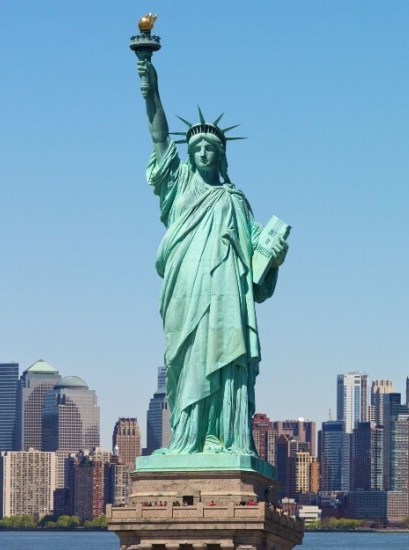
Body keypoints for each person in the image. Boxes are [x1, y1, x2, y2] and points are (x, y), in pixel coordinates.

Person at [137, 54, 288, 455]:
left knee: (225, 362)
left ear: (221, 156)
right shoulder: (180, 183)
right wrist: (150, 89)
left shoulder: (235, 199)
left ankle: (223, 437)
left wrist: (274, 253)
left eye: (211, 149)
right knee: (185, 360)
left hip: (224, 296)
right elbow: (159, 136)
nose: (203, 153)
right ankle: (187, 439)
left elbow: (257, 250)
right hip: (185, 287)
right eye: (197, 147)